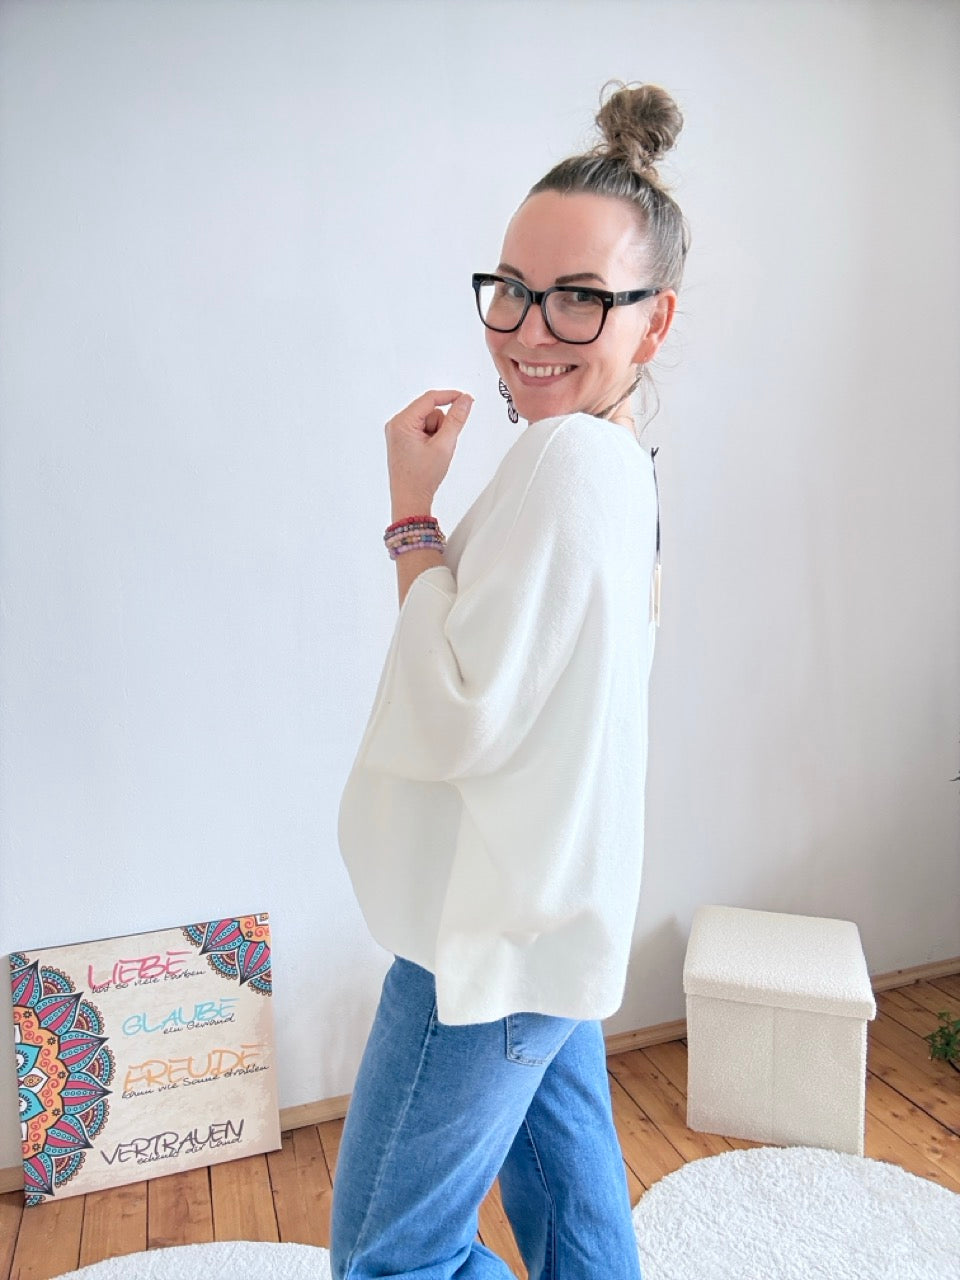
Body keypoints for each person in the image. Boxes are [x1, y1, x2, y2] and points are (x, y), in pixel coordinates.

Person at [332, 81, 689, 1280]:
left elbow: (459, 711)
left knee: (392, 1255)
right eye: (513, 288)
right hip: (555, 907)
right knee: (578, 1219)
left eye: (581, 296)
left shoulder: (568, 462)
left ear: (655, 320)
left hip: (485, 930)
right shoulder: (624, 458)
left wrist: (410, 517)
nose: (530, 328)